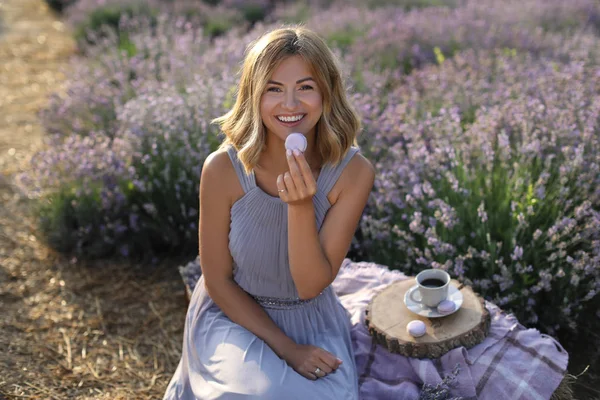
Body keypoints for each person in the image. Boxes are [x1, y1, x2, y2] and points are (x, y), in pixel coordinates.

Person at [163, 25, 375, 399]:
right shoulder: (222, 170)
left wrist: (299, 206)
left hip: (311, 317)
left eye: (305, 88)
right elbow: (218, 281)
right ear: (253, 96)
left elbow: (310, 285)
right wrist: (287, 349)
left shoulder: (353, 173)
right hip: (234, 314)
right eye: (274, 89)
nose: (290, 105)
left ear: (327, 94)